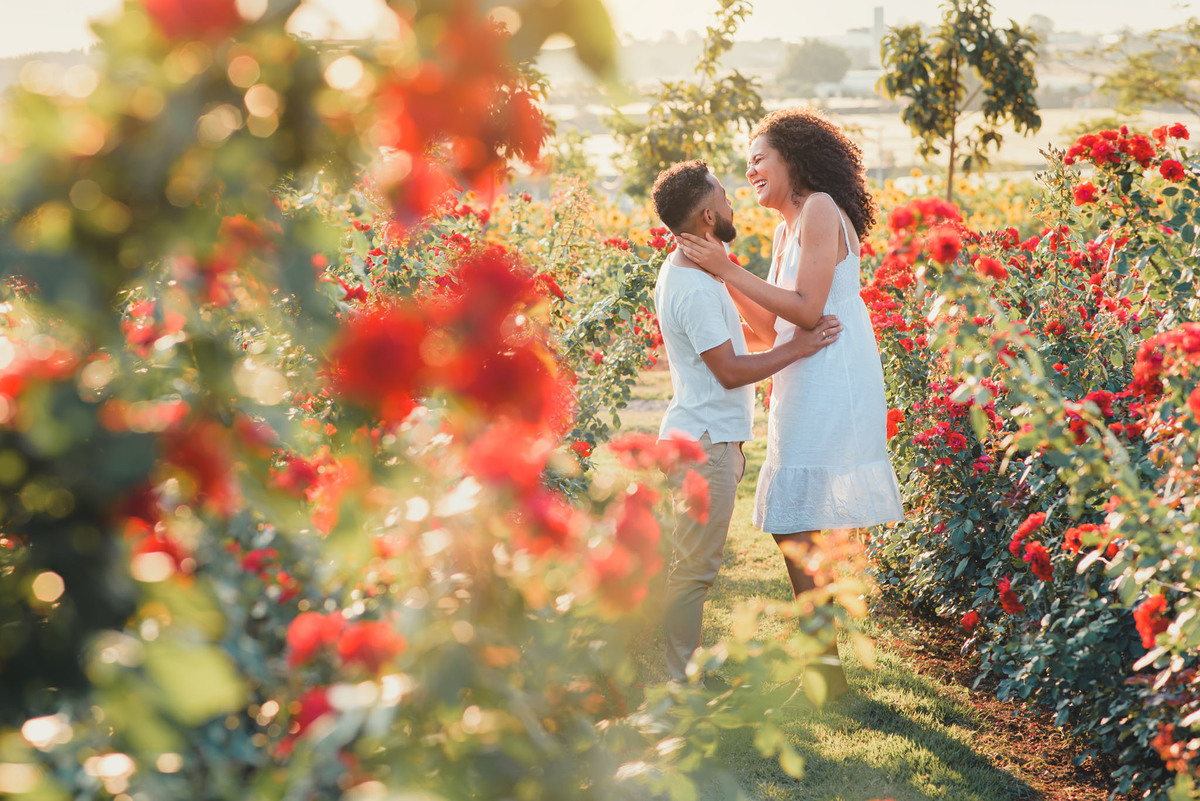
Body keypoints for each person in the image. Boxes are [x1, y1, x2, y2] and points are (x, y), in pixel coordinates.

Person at [677, 108, 905, 695]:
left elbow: (807, 309)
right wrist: (725, 275)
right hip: (804, 371)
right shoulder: (787, 227)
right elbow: (767, 331)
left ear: (793, 161)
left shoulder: (823, 208)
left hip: (832, 376)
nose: (750, 170)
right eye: (748, 162)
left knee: (809, 527)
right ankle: (825, 671)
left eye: (760, 159)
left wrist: (730, 267)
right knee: (802, 528)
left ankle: (826, 673)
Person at [650, 159, 843, 684]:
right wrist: (799, 346)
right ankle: (679, 680)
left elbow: (744, 344)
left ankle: (680, 674)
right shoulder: (692, 286)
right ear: (710, 216)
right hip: (704, 445)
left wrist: (779, 332)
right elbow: (732, 370)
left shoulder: (699, 274)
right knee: (695, 570)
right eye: (726, 197)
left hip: (710, 441)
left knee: (692, 565)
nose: (735, 202)